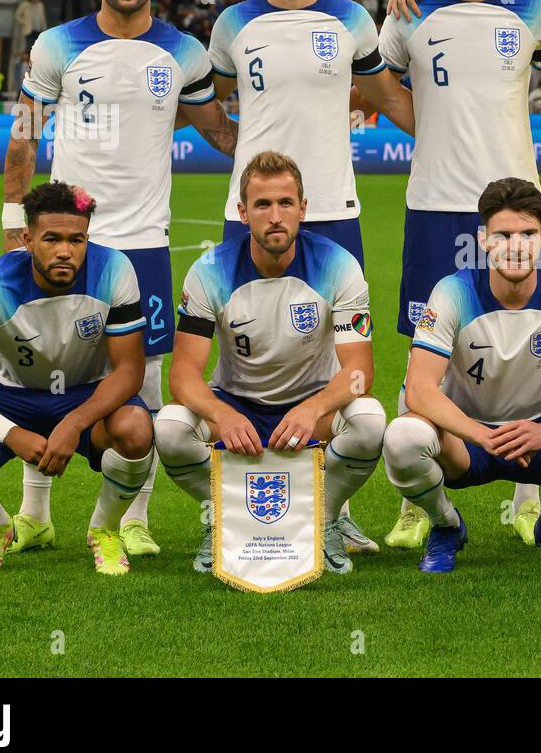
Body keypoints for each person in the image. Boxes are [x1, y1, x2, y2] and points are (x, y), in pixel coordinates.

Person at [3, 0, 236, 559]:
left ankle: (134, 517)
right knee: (44, 370)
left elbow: (219, 132)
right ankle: (34, 514)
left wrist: (296, 135)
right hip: (66, 239)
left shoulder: (183, 54)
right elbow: (24, 136)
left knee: (149, 383)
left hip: (143, 245)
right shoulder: (57, 45)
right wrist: (11, 227)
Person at [375, 0, 541, 549]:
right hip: (436, 205)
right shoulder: (411, 10)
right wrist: (426, 125)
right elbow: (376, 82)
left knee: (529, 348)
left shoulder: (532, 13)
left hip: (515, 210)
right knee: (425, 354)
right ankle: (423, 502)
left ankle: (528, 500)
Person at [206, 0, 414, 553]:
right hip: (252, 212)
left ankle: (330, 506)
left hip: (333, 209)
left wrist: (444, 130)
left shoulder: (351, 19)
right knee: (235, 353)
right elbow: (207, 103)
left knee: (333, 362)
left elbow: (382, 94)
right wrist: (247, 154)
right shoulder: (232, 23)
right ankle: (224, 505)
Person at [382, 178, 541, 572]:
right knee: (403, 436)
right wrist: (482, 436)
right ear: (483, 240)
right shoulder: (451, 291)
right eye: (503, 235)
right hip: (466, 441)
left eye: (526, 233)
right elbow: (420, 390)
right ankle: (446, 525)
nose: (516, 245)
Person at [154, 152, 386, 574]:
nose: (275, 216)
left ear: (303, 208)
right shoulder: (209, 271)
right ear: (243, 213)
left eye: (285, 203)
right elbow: (183, 376)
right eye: (262, 205)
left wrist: (313, 407)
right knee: (169, 428)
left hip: (311, 410)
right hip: (238, 405)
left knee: (369, 420)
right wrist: (222, 415)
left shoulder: (339, 264)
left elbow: (359, 372)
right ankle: (221, 516)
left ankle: (325, 518)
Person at [0, 182, 154, 575]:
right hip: (13, 394)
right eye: (52, 239)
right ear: (28, 239)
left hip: (85, 393)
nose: (65, 251)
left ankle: (104, 530)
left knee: (135, 428)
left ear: (87, 238)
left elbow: (130, 370)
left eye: (76, 240)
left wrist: (75, 421)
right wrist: (9, 433)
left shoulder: (115, 269)